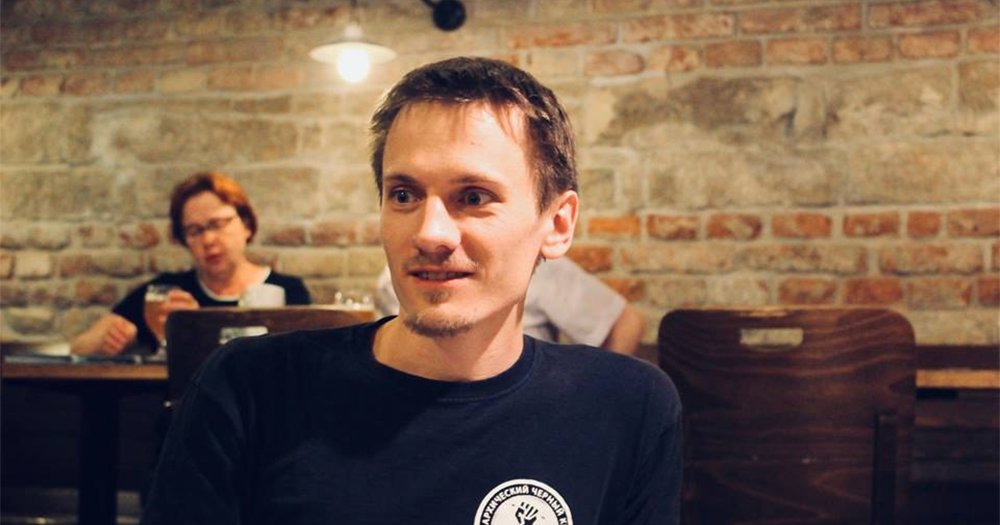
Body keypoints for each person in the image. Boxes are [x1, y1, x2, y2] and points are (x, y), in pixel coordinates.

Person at [141, 57, 681, 524]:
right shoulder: (248, 388)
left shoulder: (628, 406)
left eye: (474, 196)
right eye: (404, 194)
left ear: (558, 225)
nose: (429, 233)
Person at [71, 172, 312, 355]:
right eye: (194, 231)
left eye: (217, 224)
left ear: (246, 225)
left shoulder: (287, 291)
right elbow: (80, 347)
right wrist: (111, 339)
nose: (208, 240)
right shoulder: (168, 295)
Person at [374, 257, 647, 354]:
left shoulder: (538, 268)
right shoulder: (394, 279)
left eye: (472, 199)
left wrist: (588, 406)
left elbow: (625, 324)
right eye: (405, 196)